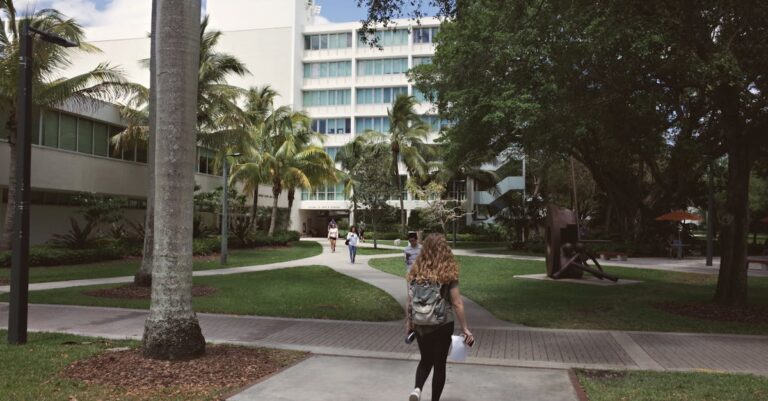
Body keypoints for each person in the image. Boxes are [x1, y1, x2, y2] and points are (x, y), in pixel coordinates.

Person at [406, 234, 473, 401]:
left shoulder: (415, 270)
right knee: (439, 364)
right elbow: (457, 302)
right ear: (445, 250)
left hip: (420, 323)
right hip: (443, 323)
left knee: (425, 360)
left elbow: (410, 300)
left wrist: (410, 323)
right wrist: (465, 328)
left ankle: (417, 389)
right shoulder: (448, 272)